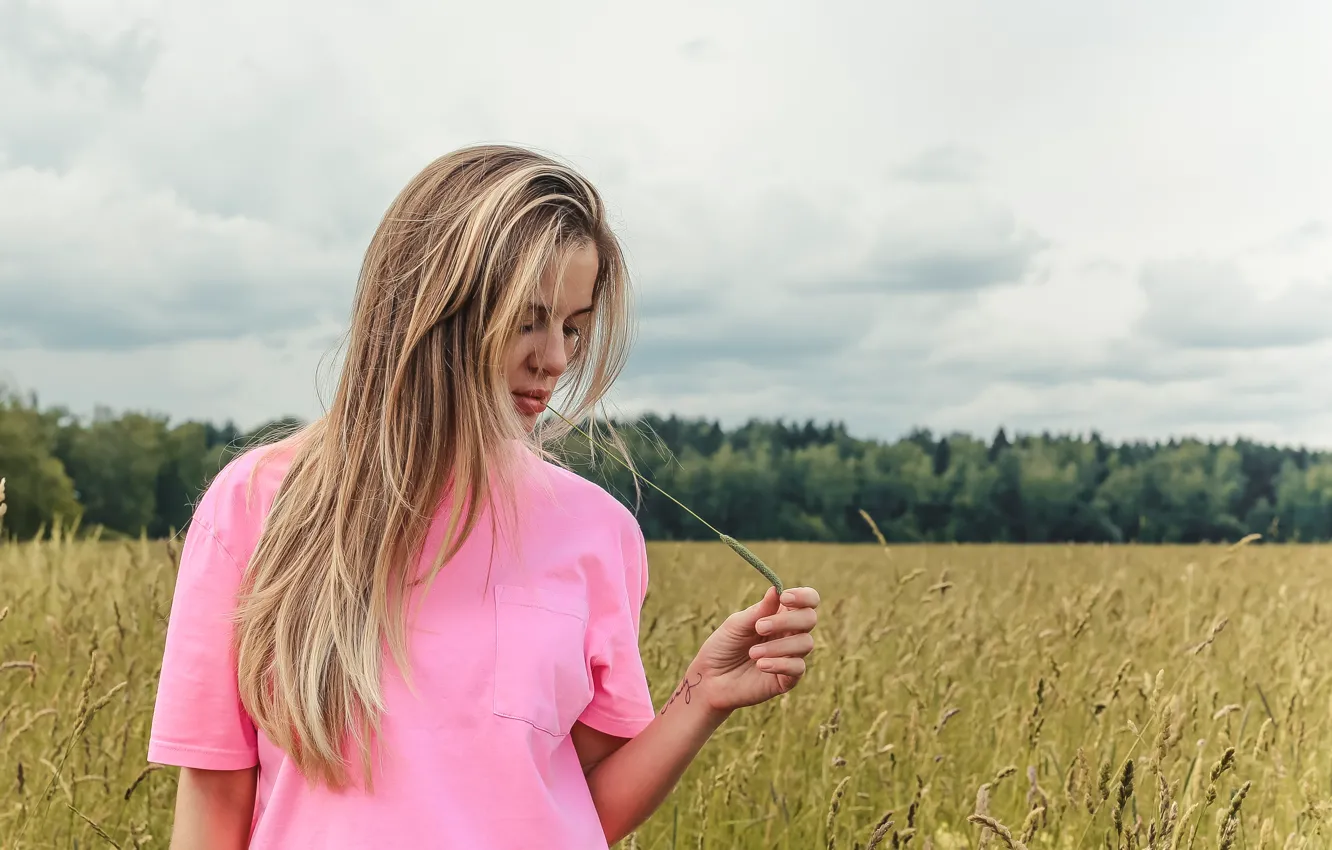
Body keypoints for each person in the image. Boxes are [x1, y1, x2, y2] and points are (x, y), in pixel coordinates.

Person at [148, 144, 821, 849]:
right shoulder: (257, 503)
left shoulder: (597, 530)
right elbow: (214, 797)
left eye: (573, 327)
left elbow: (584, 807)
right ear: (432, 306)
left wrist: (701, 697)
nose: (555, 359)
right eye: (528, 320)